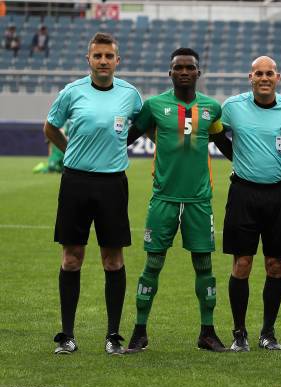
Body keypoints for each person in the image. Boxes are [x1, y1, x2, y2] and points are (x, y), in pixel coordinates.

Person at [124, 48, 233, 353]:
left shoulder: (212, 108)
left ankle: (208, 332)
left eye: (190, 67)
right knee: (152, 264)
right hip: (164, 199)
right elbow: (128, 137)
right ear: (169, 73)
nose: (184, 72)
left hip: (199, 200)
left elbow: (222, 142)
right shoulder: (154, 106)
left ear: (199, 73)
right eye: (178, 67)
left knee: (205, 265)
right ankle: (139, 331)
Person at [44, 32, 142, 355]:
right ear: (89, 59)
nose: (103, 61)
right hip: (75, 183)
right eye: (97, 56)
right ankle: (67, 336)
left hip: (113, 184)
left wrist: (116, 148)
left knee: (113, 260)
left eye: (108, 56)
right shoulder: (72, 92)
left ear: (118, 60)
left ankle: (113, 336)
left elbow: (141, 126)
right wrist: (70, 150)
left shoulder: (131, 94)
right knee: (72, 258)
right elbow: (50, 127)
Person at [221, 56, 281, 352]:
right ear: (250, 77)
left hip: (278, 196)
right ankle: (239, 333)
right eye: (258, 73)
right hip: (243, 194)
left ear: (278, 79)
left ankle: (268, 333)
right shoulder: (233, 107)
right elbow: (215, 133)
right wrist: (236, 157)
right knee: (242, 264)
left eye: (269, 74)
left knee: (275, 266)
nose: (264, 78)